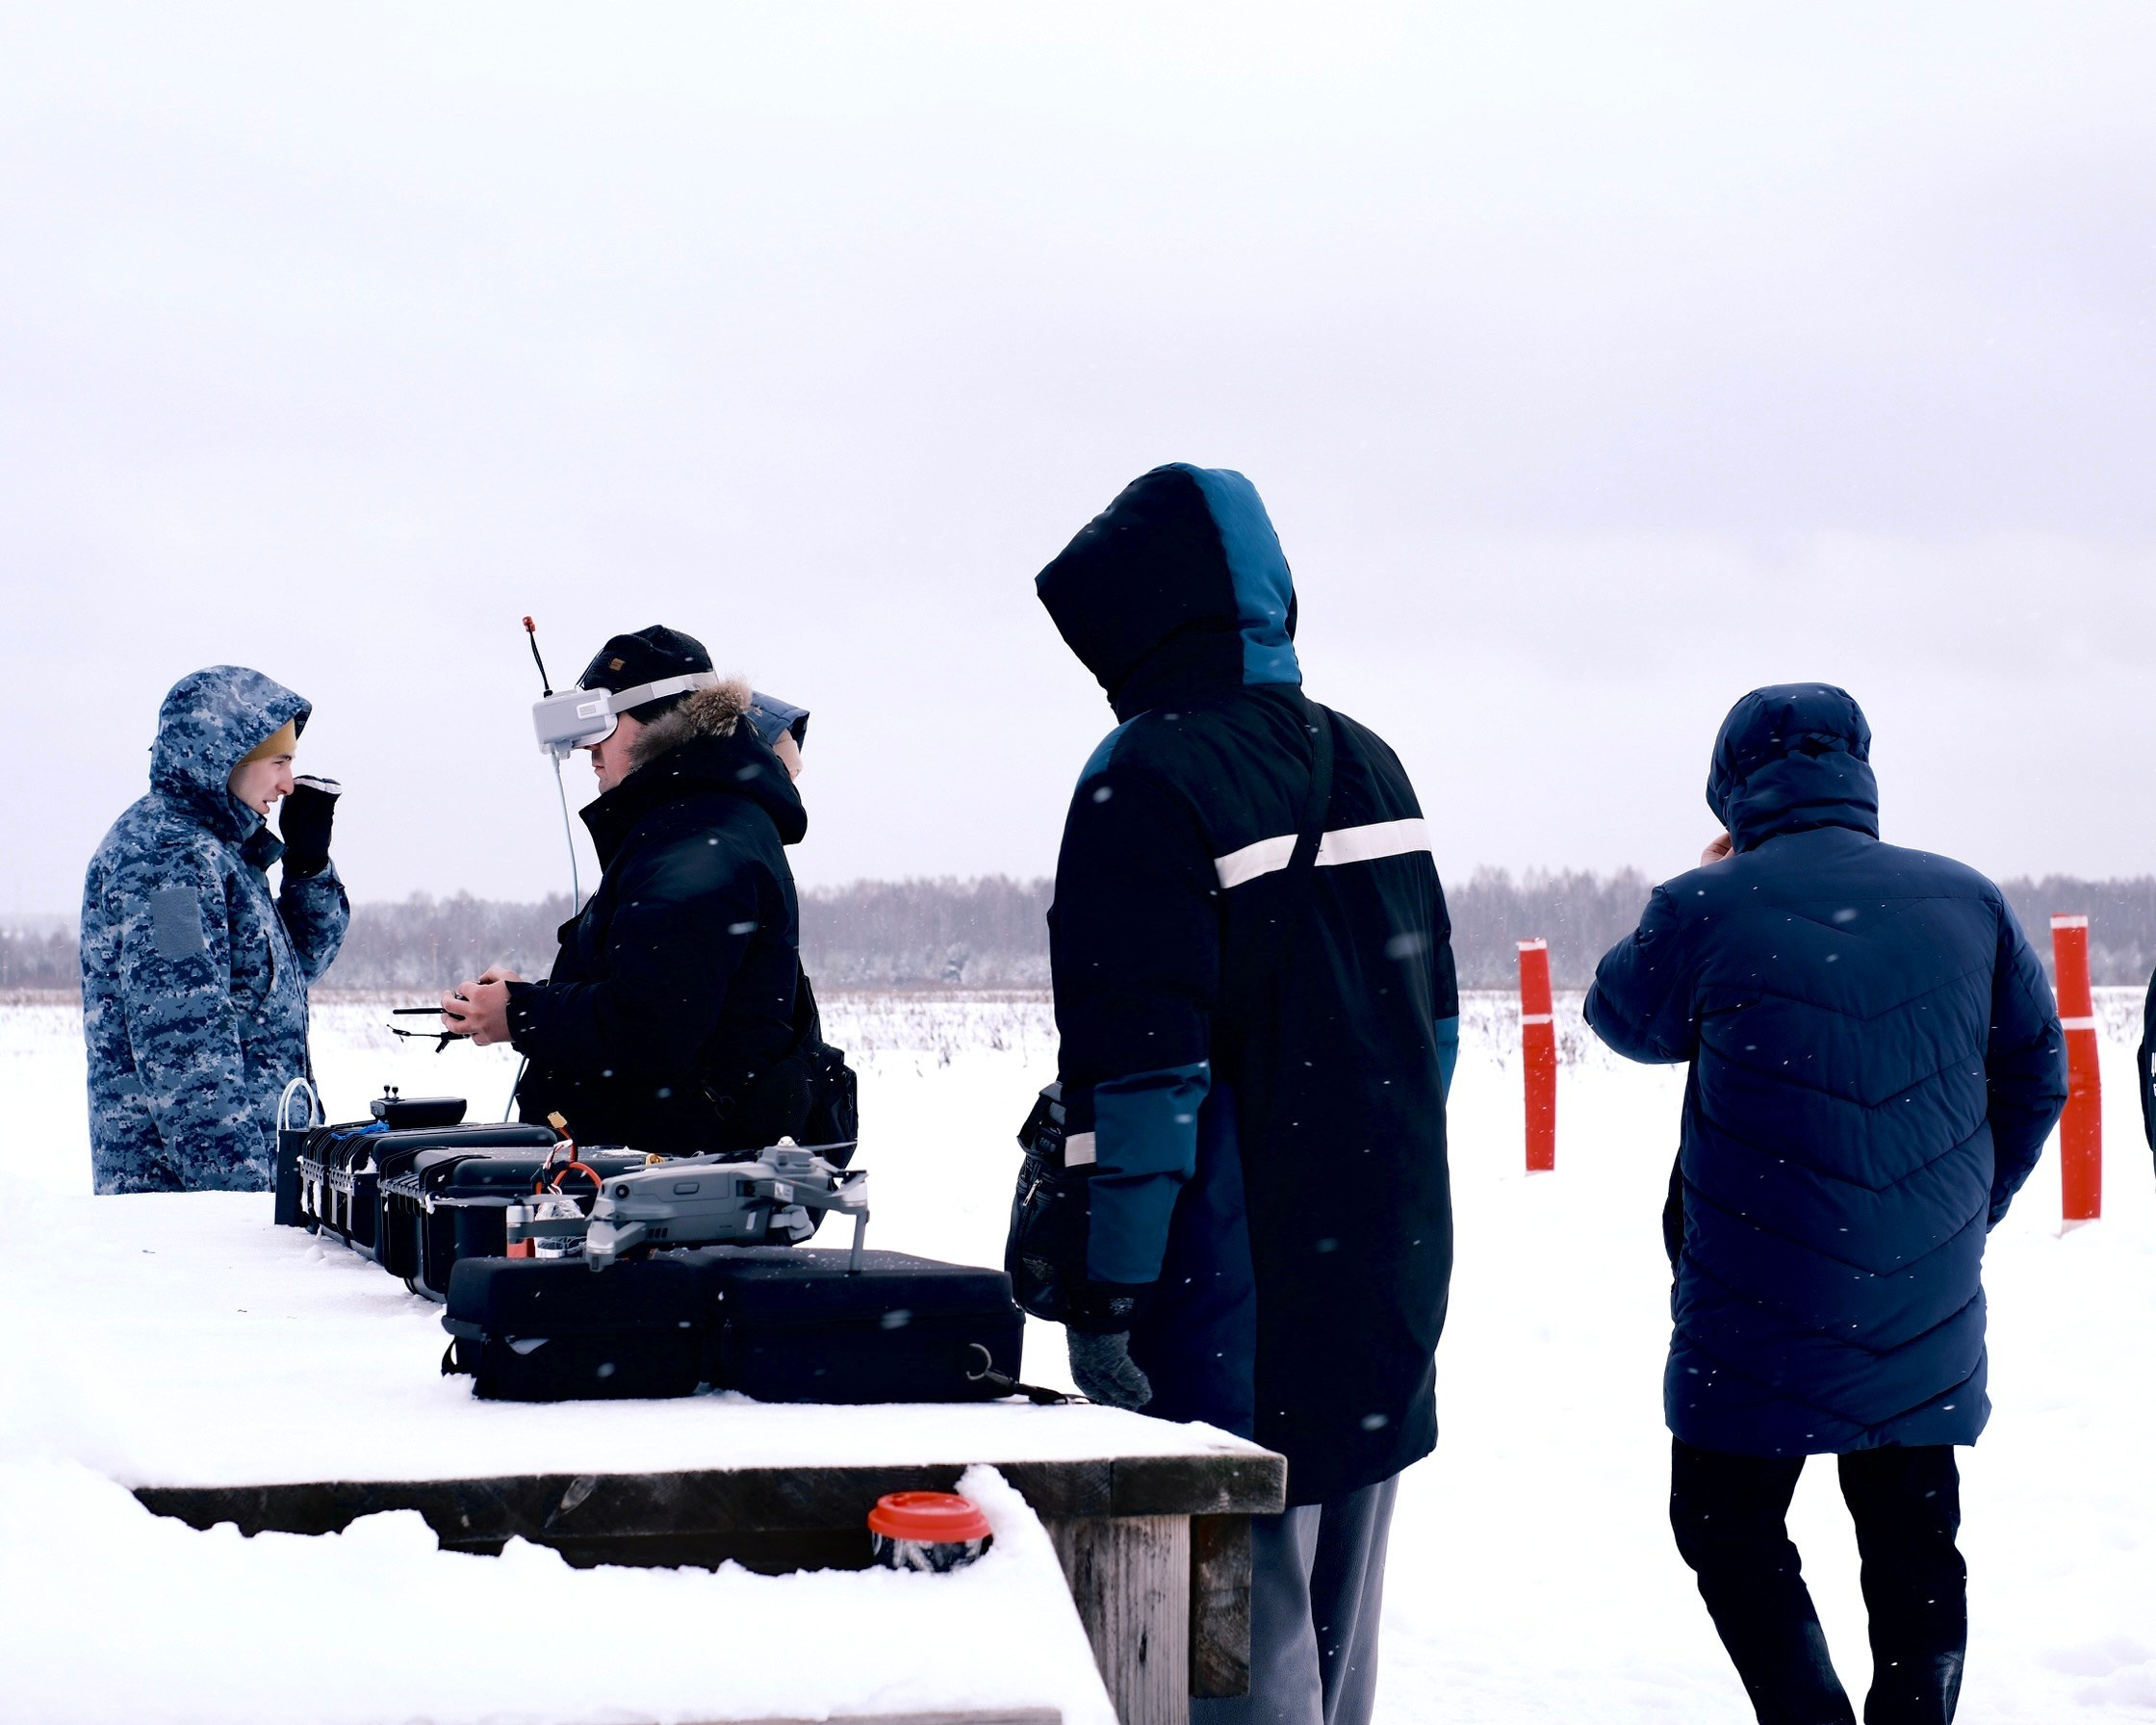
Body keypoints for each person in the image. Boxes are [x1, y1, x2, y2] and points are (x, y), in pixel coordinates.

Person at [1031, 463, 1458, 1725]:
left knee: (1211, 1671)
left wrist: (1110, 1295)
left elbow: (1143, 1078)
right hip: (1382, 1280)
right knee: (1331, 1661)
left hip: (1223, 1314)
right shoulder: (1371, 762)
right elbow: (1434, 1031)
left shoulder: (1144, 779)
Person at [1583, 683, 2066, 1725]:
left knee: (1722, 1520)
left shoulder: (1703, 906)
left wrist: (1699, 885)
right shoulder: (1967, 899)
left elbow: (1620, 1016)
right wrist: (1963, 1208)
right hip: (1920, 1290)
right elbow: (2037, 1073)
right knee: (1911, 1534)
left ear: (1728, 783)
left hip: (1750, 1287)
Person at [442, 626, 823, 1154]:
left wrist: (520, 1013)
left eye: (600, 724)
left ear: (660, 723)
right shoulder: (691, 824)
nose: (588, 751)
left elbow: (651, 1030)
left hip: (676, 1191)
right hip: (656, 1180)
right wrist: (533, 999)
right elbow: (657, 992)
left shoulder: (696, 843)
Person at [81, 665, 349, 1193]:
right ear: (224, 759)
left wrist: (308, 866)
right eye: (278, 762)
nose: (288, 783)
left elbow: (292, 971)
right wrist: (243, 1201)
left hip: (250, 1187)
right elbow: (182, 1040)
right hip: (191, 1212)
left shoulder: (222, 853)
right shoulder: (168, 861)